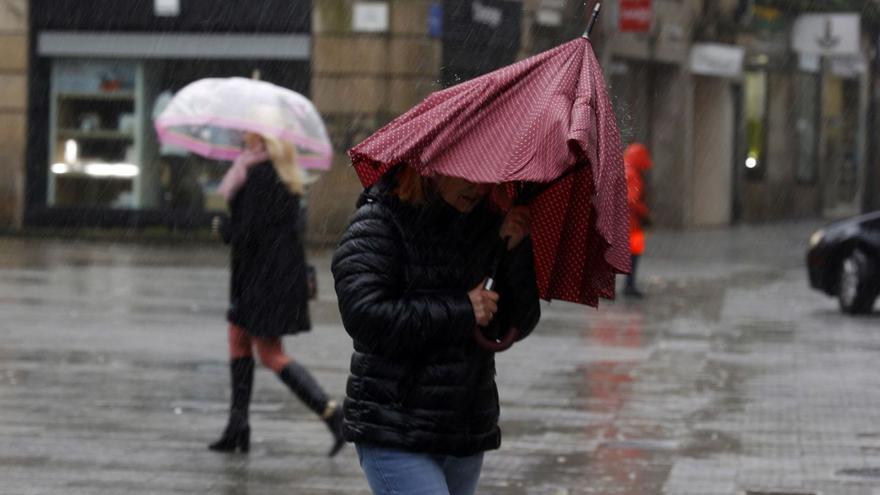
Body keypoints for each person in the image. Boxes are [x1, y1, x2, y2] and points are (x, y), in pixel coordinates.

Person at [331, 166, 542, 494]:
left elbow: (515, 323)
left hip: (464, 428)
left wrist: (513, 252)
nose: (477, 187)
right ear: (434, 167)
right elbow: (365, 315)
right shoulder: (378, 222)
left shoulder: (486, 228)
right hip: (396, 426)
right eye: (468, 174)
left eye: (486, 176)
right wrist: (462, 309)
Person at [209, 131, 344, 457]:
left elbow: (250, 231)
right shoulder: (277, 171)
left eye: (251, 132)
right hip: (267, 273)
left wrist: (225, 229)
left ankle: (332, 413)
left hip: (264, 277)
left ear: (264, 140)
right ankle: (237, 425)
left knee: (269, 352)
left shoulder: (260, 174)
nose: (244, 136)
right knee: (238, 337)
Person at [623, 142, 652, 298]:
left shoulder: (621, 168)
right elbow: (631, 199)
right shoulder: (633, 174)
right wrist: (645, 212)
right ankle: (630, 286)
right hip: (631, 224)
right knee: (634, 255)